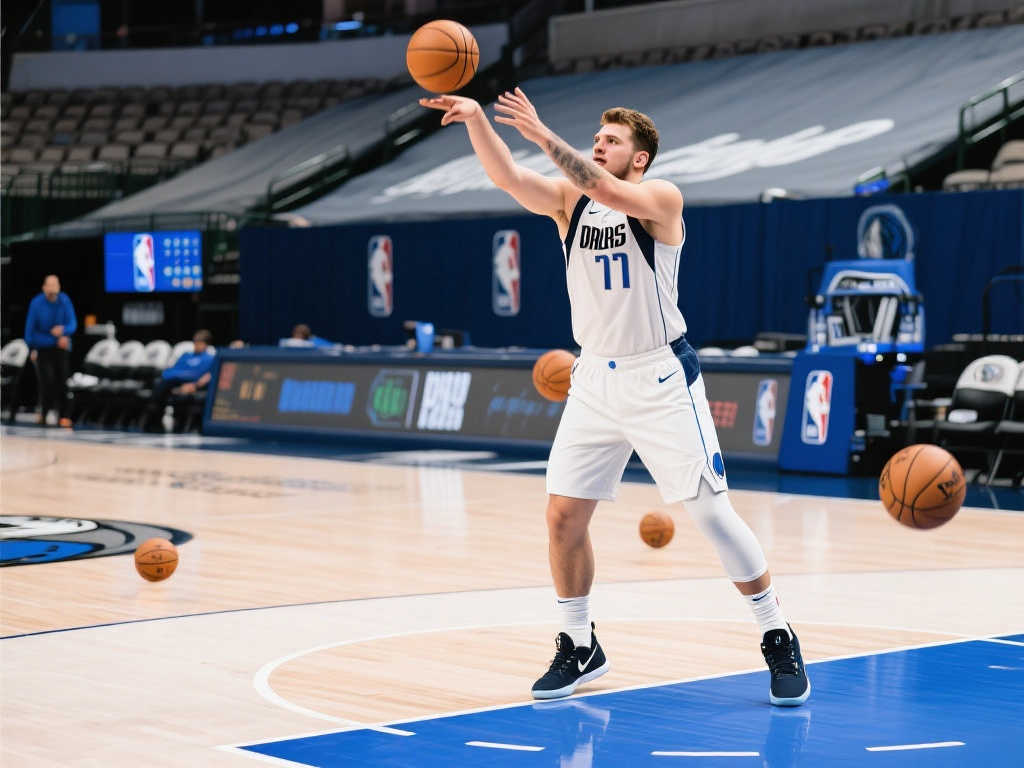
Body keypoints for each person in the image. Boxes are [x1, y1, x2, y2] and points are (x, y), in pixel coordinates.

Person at [421, 88, 810, 705]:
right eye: (596, 139)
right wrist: (474, 121)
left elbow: (604, 188)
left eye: (612, 141)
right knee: (562, 517)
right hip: (594, 381)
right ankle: (579, 644)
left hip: (660, 377)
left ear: (640, 158)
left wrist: (542, 134)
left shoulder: (661, 200)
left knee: (712, 515)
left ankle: (776, 632)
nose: (599, 146)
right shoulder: (568, 202)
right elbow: (507, 177)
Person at [24, 275, 77, 427]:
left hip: (61, 348)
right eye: (50, 285)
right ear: (44, 287)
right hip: (43, 348)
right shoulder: (36, 303)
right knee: (47, 381)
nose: (53, 289)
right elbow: (29, 335)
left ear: (59, 287)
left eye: (55, 285)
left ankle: (64, 415)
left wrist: (64, 330)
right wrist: (53, 340)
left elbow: (72, 324)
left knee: (63, 381)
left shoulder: (64, 300)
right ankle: (44, 412)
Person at [144, 330, 215, 430]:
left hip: (190, 383)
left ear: (206, 345)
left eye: (199, 343)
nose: (196, 345)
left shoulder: (210, 359)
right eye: (195, 342)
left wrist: (195, 385)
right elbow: (172, 371)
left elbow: (208, 376)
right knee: (160, 383)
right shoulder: (186, 355)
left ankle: (152, 419)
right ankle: (155, 420)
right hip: (173, 382)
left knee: (162, 387)